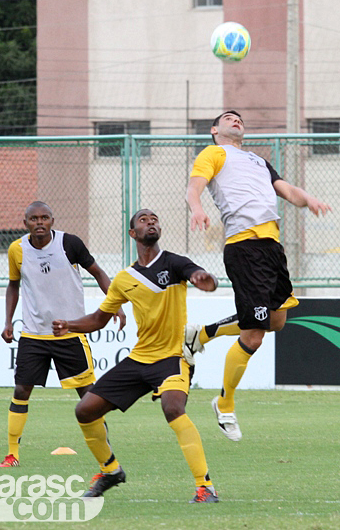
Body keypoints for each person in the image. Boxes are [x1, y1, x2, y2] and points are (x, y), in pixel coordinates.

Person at [52, 209, 221, 503]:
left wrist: (202, 278)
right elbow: (98, 319)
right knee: (85, 410)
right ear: (133, 234)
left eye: (154, 218)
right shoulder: (124, 278)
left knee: (172, 408)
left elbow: (197, 275)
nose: (151, 221)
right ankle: (110, 471)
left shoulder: (174, 262)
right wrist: (70, 325)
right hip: (140, 358)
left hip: (172, 358)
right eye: (143, 220)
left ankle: (204, 486)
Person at [184, 110, 332, 442]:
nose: (236, 120)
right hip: (244, 246)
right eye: (228, 118)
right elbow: (194, 187)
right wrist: (196, 207)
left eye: (239, 118)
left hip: (271, 248)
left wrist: (308, 200)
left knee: (276, 320)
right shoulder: (213, 153)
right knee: (254, 334)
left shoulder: (257, 161)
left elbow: (287, 190)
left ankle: (200, 335)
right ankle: (224, 403)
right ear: (214, 130)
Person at [0, 201, 125, 468]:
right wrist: (8, 321)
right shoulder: (17, 250)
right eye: (34, 219)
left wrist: (116, 306)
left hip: (70, 332)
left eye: (45, 217)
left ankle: (106, 454)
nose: (39, 222)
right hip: (34, 334)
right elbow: (13, 286)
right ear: (25, 223)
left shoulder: (70, 244)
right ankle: (12, 454)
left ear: (52, 220)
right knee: (21, 389)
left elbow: (99, 273)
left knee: (89, 396)